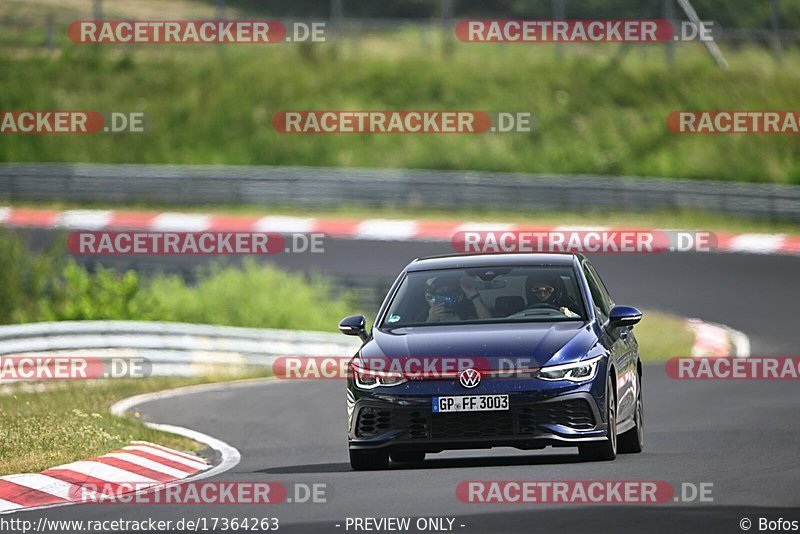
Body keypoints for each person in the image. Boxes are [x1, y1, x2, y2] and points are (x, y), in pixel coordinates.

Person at [424, 272, 492, 323]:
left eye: (449, 290)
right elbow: (421, 337)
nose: (446, 293)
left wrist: (473, 294)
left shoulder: (467, 306)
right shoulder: (424, 311)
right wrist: (431, 320)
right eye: (442, 291)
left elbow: (488, 324)